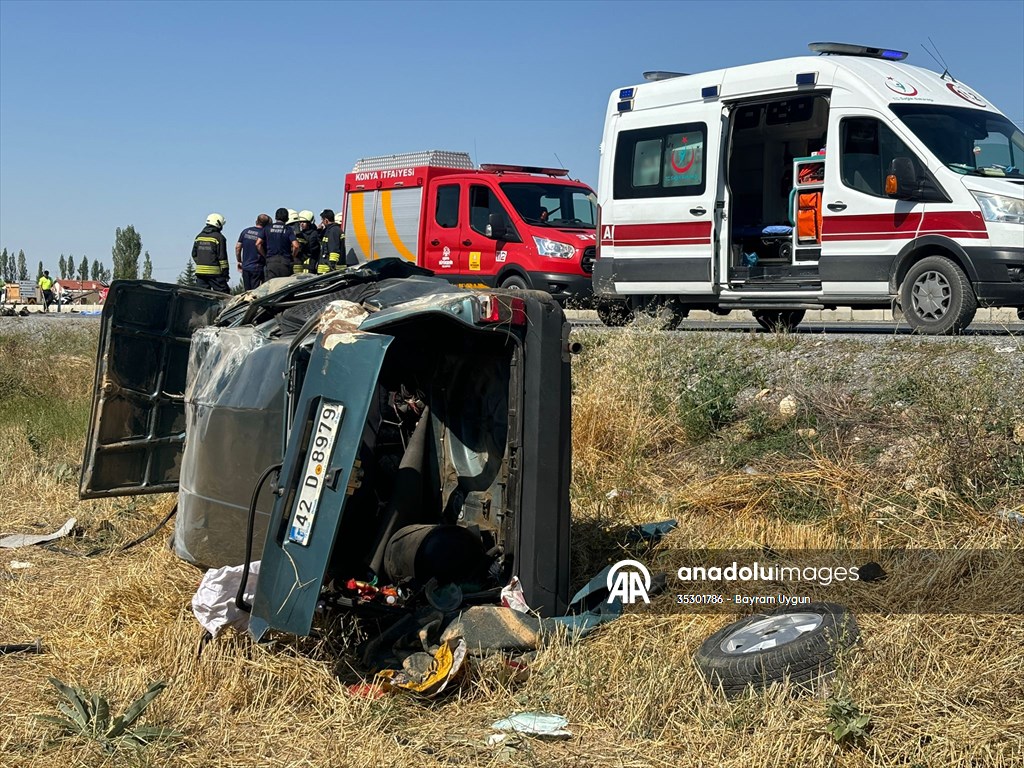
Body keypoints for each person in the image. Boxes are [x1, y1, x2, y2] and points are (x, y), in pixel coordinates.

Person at [192, 213, 230, 293]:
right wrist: (225, 272)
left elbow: (194, 254)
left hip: (200, 272)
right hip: (215, 273)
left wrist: (201, 263)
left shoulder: (199, 236)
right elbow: (222, 257)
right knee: (223, 293)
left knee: (202, 294)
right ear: (218, 223)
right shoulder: (219, 237)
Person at [259, 208, 299, 280]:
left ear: (275, 217)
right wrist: (292, 256)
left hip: (271, 262)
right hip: (285, 262)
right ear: (287, 218)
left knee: (271, 285)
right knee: (285, 285)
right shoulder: (289, 229)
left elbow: (258, 243)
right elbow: (296, 246)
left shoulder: (267, 228)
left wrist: (265, 255)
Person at [236, 214, 270, 290]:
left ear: (256, 221)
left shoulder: (245, 231)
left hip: (246, 267)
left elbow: (238, 247)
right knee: (255, 292)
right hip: (257, 267)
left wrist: (239, 261)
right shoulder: (265, 234)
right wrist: (265, 257)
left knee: (247, 291)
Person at [318, 209, 343, 274]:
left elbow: (334, 250)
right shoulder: (329, 230)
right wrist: (319, 231)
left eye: (322, 220)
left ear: (326, 220)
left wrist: (332, 268)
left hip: (327, 271)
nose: (322, 223)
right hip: (325, 271)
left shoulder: (333, 231)